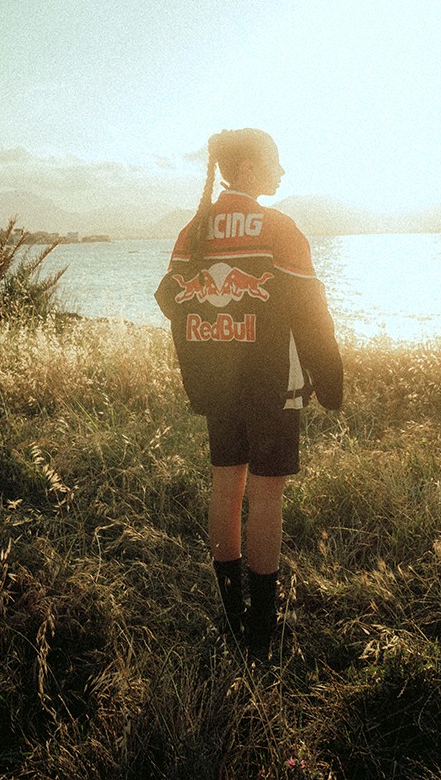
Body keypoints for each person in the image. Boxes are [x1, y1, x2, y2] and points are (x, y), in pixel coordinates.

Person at [154, 128, 342, 659]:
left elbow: (171, 299)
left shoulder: (194, 230)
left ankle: (232, 616)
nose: (282, 172)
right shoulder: (280, 229)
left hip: (218, 383)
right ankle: (262, 630)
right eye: (275, 163)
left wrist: (222, 324)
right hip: (272, 385)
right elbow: (312, 313)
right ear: (252, 168)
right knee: (265, 497)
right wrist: (331, 380)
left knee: (224, 489)